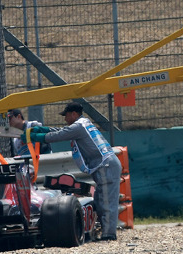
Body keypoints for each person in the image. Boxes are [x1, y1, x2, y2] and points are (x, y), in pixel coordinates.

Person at [30, 102, 122, 241]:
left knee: (106, 201)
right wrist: (45, 129)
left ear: (74, 114)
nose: (65, 119)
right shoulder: (82, 124)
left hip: (105, 166)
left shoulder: (78, 126)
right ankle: (105, 231)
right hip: (106, 165)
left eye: (66, 115)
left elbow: (61, 135)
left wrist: (41, 137)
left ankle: (109, 234)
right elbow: (62, 131)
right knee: (100, 199)